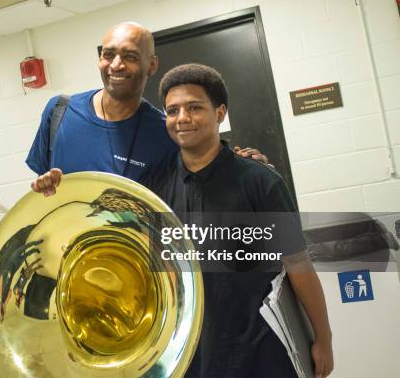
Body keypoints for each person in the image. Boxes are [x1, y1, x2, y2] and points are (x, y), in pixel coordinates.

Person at [32, 64, 334, 378]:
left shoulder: (261, 182)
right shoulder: (153, 187)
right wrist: (61, 187)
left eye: (194, 108)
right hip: (189, 354)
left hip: (261, 350)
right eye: (172, 111)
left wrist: (322, 338)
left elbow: (298, 264)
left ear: (219, 113)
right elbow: (103, 222)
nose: (182, 119)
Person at [26, 21, 266, 187]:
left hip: (135, 255)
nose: (116, 65)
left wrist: (244, 167)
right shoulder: (60, 111)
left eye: (130, 56)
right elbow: (43, 185)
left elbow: (202, 176)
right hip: (66, 253)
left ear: (151, 65)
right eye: (108, 55)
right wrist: (45, 185)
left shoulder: (167, 132)